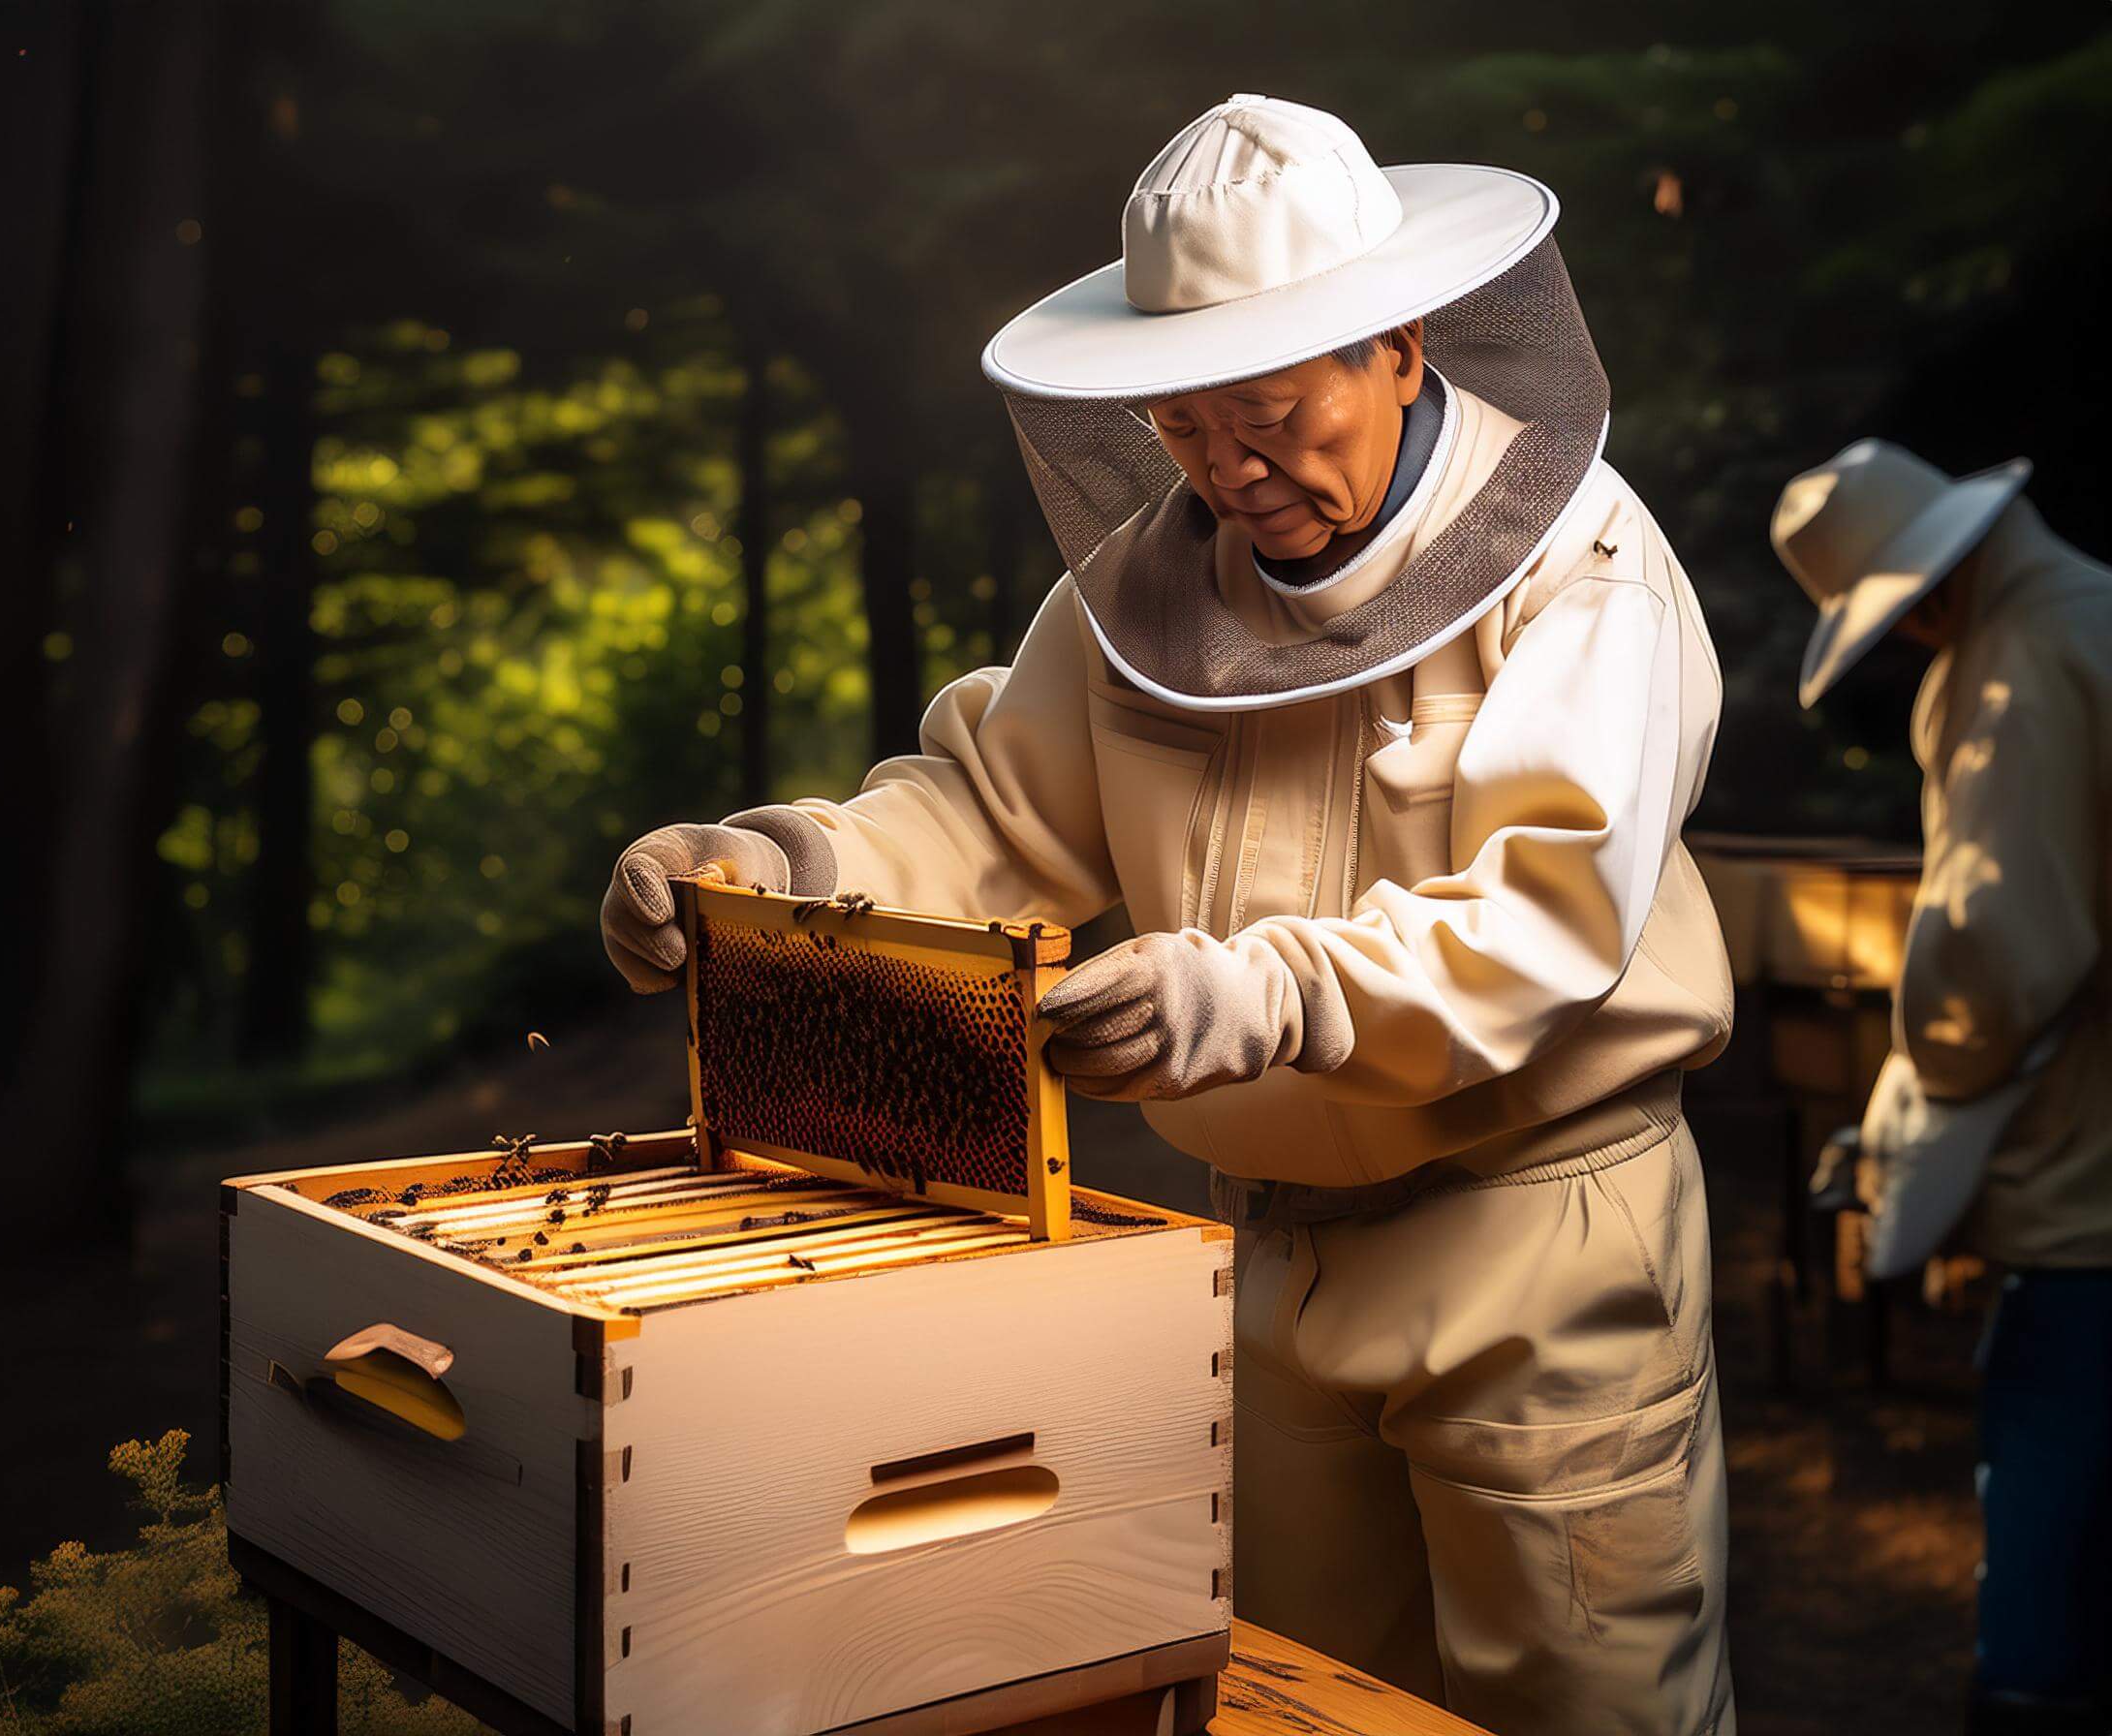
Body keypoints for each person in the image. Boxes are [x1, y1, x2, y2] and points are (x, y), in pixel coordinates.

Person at [606, 95, 1735, 1733]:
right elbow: (997, 813)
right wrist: (779, 868)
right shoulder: (1146, 584)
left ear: (1402, 346)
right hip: (1271, 1259)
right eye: (1187, 427)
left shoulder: (1583, 572)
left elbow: (1541, 915)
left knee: (1584, 1710)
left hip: (1542, 1243)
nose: (1232, 469)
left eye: (1274, 414)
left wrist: (1262, 995)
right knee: (1303, 1706)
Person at [1772, 439, 2112, 1735]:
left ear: (1922, 592)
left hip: (2087, 1188)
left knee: (2048, 1510)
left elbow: (1993, 952)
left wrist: (1919, 1096)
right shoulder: (2093, 610)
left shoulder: (2016, 668)